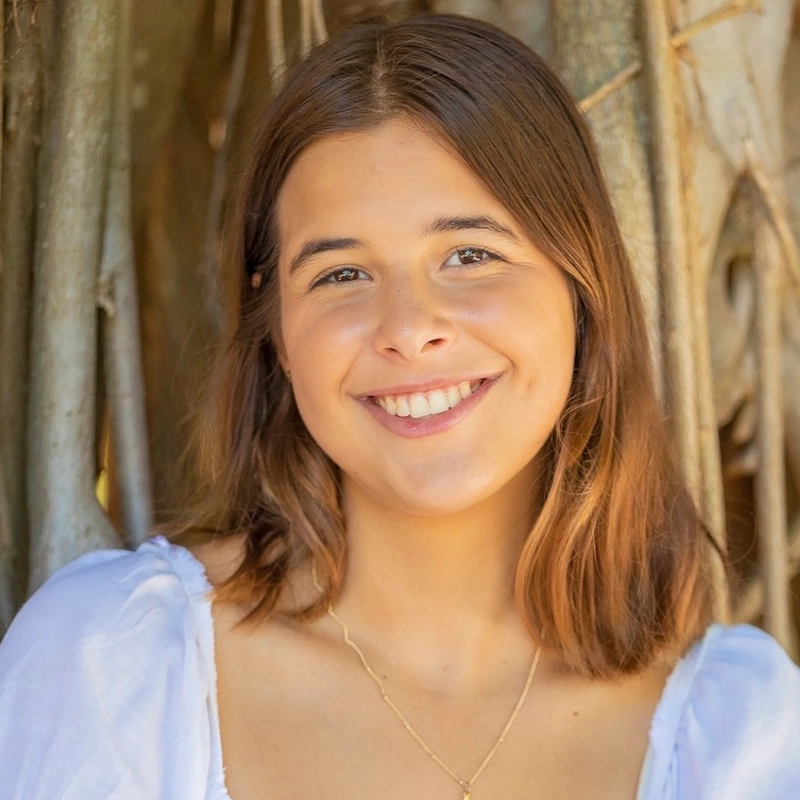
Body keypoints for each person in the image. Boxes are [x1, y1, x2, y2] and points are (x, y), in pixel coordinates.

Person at [1, 12, 798, 800]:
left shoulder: (736, 737)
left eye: (471, 255)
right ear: (274, 324)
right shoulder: (117, 672)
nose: (410, 330)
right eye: (342, 274)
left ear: (581, 287)